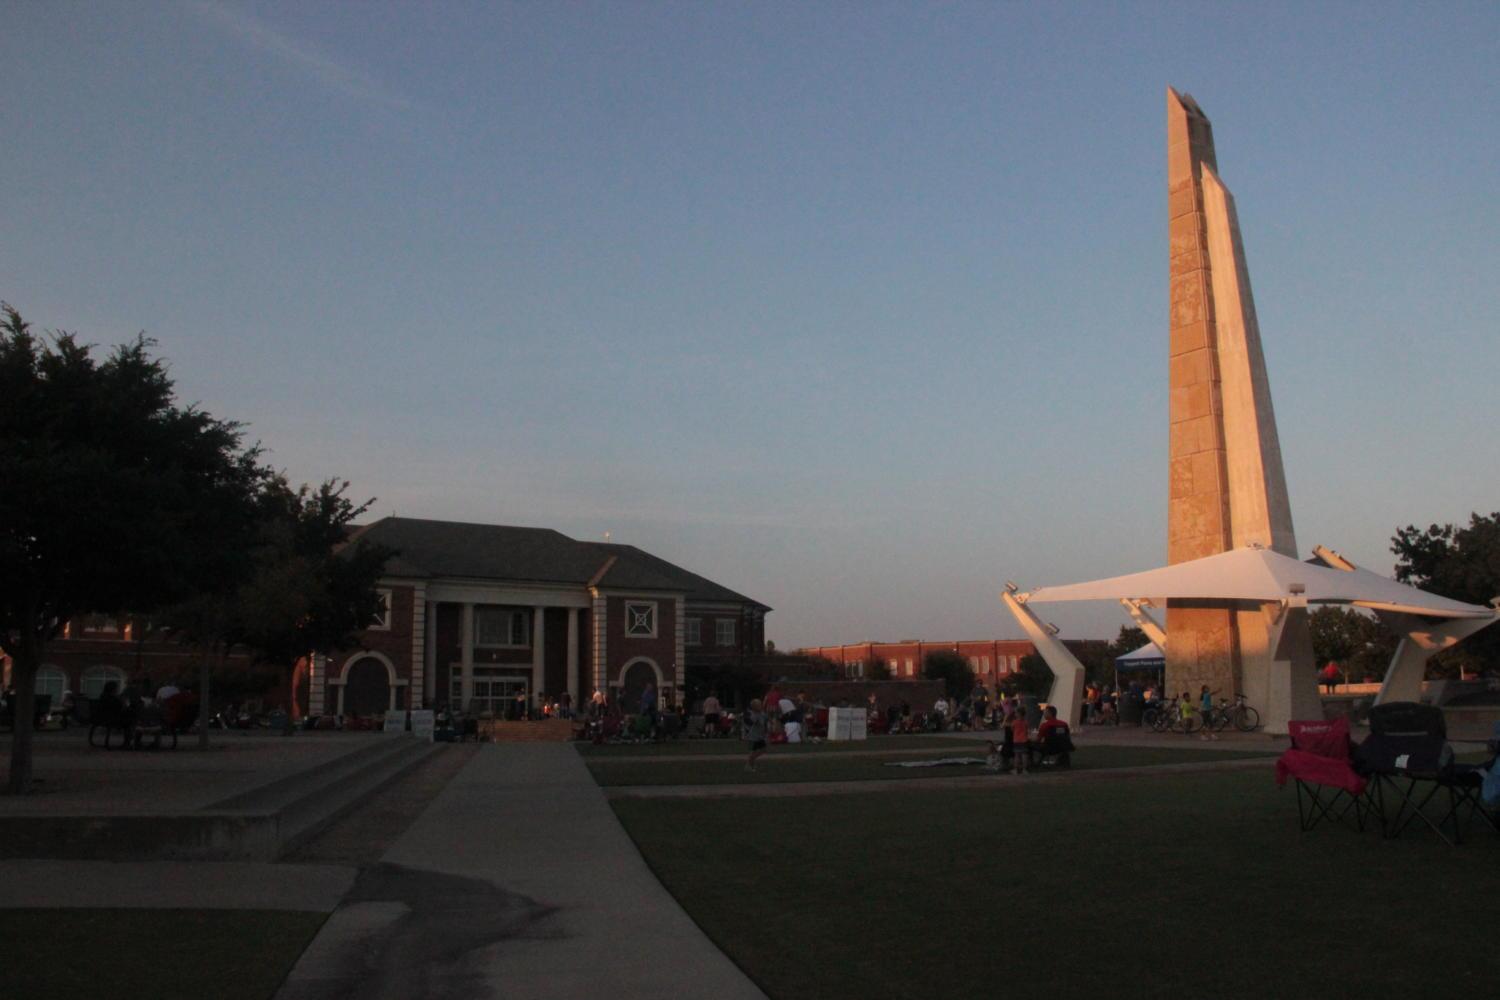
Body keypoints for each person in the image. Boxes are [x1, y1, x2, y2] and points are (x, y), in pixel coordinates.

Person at [742, 698, 768, 771]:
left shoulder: (762, 714)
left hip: (760, 736)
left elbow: (765, 721)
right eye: (759, 705)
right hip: (753, 737)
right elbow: (750, 722)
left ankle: (750, 763)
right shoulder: (754, 715)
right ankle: (748, 766)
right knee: (753, 752)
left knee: (763, 749)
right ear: (754, 707)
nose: (761, 706)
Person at [1010, 706, 1030, 774]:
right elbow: (1027, 730)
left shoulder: (1014, 722)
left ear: (1018, 713)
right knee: (1024, 755)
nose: (1015, 714)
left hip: (1016, 741)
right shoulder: (1026, 722)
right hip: (1024, 740)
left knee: (1017, 755)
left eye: (1016, 713)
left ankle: (1016, 769)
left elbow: (1012, 729)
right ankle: (1024, 769)